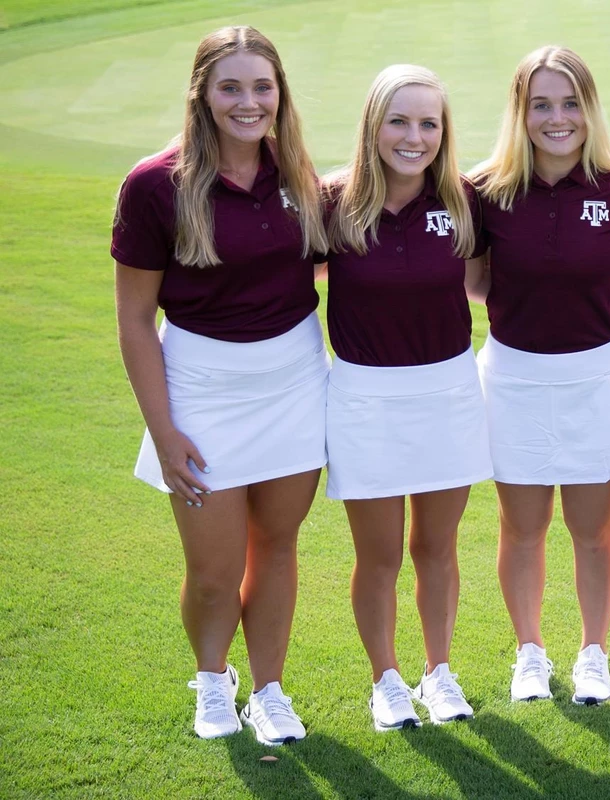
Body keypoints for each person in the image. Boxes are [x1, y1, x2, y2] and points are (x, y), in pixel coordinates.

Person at [112, 26, 328, 746]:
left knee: (277, 547)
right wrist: (164, 431)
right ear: (201, 93)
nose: (248, 102)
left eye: (262, 86)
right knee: (213, 570)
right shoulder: (154, 186)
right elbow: (135, 320)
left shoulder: (297, 174)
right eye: (230, 87)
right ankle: (212, 680)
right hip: (201, 390)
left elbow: (308, 262)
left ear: (280, 94)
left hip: (295, 383)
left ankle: (269, 690)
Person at [469, 46, 610, 705]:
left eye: (571, 103)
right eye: (542, 105)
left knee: (593, 530)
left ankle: (592, 652)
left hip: (597, 377)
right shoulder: (486, 190)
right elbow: (473, 281)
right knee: (521, 528)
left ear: (590, 109)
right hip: (515, 376)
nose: (558, 118)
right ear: (520, 113)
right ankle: (529, 652)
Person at [323, 64, 491, 731]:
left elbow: (487, 279)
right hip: (364, 395)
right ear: (373, 125)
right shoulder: (332, 201)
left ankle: (438, 672)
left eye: (428, 123)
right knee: (380, 554)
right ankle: (386, 680)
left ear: (444, 132)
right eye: (398, 121)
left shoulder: (464, 200)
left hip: (447, 389)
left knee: (436, 548)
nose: (413, 137)